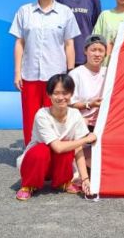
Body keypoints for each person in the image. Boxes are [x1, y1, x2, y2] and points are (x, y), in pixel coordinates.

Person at [10, 0, 81, 146]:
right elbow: (19, 43)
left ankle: (56, 153)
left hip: (55, 76)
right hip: (30, 75)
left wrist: (70, 72)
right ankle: (31, 153)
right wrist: (17, 72)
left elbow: (69, 44)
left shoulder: (65, 12)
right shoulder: (25, 11)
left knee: (56, 117)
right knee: (31, 117)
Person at [15, 73, 96, 201]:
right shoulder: (42, 115)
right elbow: (58, 147)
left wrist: (85, 179)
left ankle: (62, 182)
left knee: (69, 145)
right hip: (36, 164)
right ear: (49, 95)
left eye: (65, 93)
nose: (61, 97)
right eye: (56, 93)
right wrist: (86, 139)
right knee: (42, 149)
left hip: (58, 165)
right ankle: (28, 185)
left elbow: (78, 149)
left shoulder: (75, 115)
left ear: (71, 94)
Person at [69, 35, 107, 130]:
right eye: (93, 50)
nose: (97, 54)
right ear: (85, 51)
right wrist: (89, 104)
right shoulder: (75, 74)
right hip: (81, 123)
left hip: (104, 123)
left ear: (105, 53)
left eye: (101, 51)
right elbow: (70, 104)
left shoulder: (109, 72)